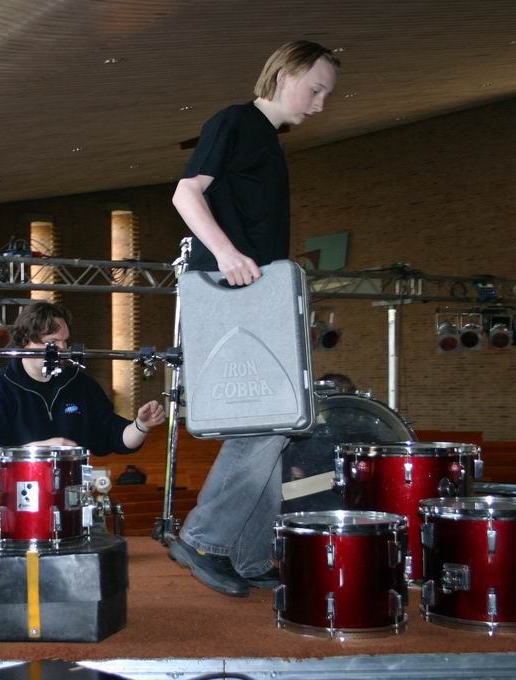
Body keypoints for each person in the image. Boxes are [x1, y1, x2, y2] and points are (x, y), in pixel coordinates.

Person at [169, 40, 340, 597]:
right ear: (285, 73)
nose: (320, 104)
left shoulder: (266, 138)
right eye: (315, 89)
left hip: (257, 296)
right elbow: (186, 193)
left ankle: (247, 553)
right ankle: (204, 538)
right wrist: (225, 254)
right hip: (230, 296)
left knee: (276, 422)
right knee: (269, 418)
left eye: (327, 95)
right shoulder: (236, 121)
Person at [0, 301, 166, 456]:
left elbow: (113, 436)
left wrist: (141, 425)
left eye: (65, 342)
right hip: (16, 495)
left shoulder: (80, 384)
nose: (62, 350)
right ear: (26, 341)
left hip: (73, 493)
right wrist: (37, 451)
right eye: (52, 342)